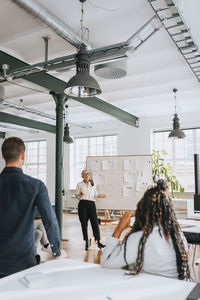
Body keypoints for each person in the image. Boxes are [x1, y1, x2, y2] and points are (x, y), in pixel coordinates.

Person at [0, 137, 65, 278]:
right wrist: (56, 251)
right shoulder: (35, 185)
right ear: (23, 155)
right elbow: (50, 220)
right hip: (23, 261)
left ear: (3, 155)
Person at [101, 179, 190, 280]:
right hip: (176, 291)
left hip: (150, 291)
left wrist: (118, 230)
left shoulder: (140, 238)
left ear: (142, 209)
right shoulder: (179, 237)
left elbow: (107, 263)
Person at [76, 169, 106, 251]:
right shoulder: (79, 184)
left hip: (92, 204)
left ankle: (98, 241)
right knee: (84, 224)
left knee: (95, 223)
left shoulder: (93, 184)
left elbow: (95, 195)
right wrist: (80, 194)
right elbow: (77, 196)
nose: (86, 175)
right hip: (83, 204)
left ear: (89, 175)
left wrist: (99, 196)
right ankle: (86, 242)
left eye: (87, 174)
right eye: (84, 174)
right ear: (82, 176)